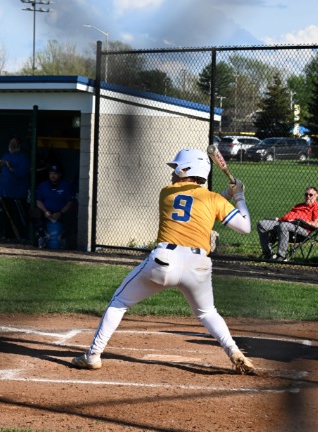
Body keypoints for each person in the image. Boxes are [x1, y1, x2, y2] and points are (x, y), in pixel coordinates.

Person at [72, 148, 255, 374]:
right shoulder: (213, 199)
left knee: (119, 302)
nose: (172, 173)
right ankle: (234, 351)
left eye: (176, 168)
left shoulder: (167, 192)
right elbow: (243, 226)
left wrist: (226, 194)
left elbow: (196, 203)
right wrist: (238, 196)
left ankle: (93, 355)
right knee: (208, 313)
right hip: (198, 266)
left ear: (186, 169)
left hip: (163, 261)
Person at [257, 186, 318, 261]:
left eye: (311, 195)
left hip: (301, 230)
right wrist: (280, 219)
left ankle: (281, 256)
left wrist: (299, 221)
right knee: (261, 224)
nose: (308, 196)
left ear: (316, 196)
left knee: (284, 226)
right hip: (284, 223)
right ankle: (268, 254)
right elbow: (288, 216)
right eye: (306, 194)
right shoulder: (299, 205)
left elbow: (316, 224)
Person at [33, 163, 77, 249]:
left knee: (72, 215)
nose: (53, 176)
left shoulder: (66, 185)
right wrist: (45, 211)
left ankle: (64, 237)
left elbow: (70, 203)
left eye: (55, 173)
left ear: (60, 174)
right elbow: (38, 201)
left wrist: (61, 213)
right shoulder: (43, 185)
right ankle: (42, 235)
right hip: (47, 212)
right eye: (51, 173)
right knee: (34, 212)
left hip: (61, 212)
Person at [0, 137, 30, 241]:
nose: (12, 145)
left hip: (17, 194)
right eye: (11, 142)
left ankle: (22, 237)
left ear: (19, 145)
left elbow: (22, 173)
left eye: (15, 143)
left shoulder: (23, 158)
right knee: (7, 216)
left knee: (18, 216)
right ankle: (8, 235)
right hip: (5, 193)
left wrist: (10, 166)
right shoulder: (5, 156)